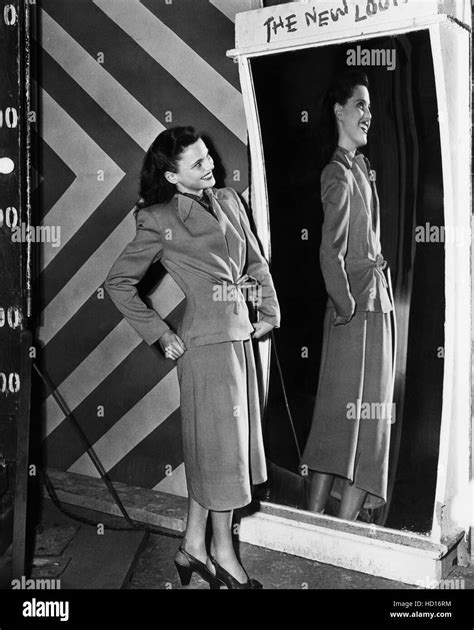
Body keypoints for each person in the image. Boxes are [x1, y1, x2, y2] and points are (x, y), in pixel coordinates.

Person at [104, 126, 280, 588]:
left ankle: (192, 546)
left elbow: (255, 262)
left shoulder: (228, 200)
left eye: (209, 157)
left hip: (239, 341)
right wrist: (160, 334)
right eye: (198, 163)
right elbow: (118, 283)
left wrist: (267, 307)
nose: (212, 167)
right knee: (221, 455)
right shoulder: (158, 218)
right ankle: (224, 556)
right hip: (204, 349)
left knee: (217, 450)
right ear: (172, 175)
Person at [300, 70, 395, 521]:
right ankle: (322, 529)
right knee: (343, 423)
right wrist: (346, 305)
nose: (368, 115)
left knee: (362, 427)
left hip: (375, 306)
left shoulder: (360, 169)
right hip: (357, 310)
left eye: (370, 107)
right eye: (361, 105)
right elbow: (328, 252)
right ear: (339, 111)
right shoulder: (337, 173)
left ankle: (337, 530)